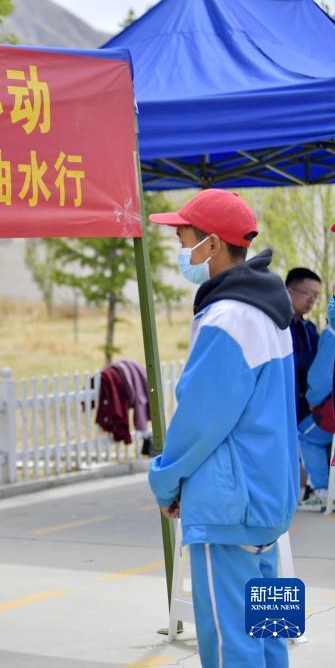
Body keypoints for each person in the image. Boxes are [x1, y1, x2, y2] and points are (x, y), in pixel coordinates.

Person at [147, 190, 298, 668]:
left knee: (230, 646)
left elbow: (199, 418)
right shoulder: (272, 311)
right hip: (269, 503)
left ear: (212, 245)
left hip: (230, 508)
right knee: (270, 634)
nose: (177, 242)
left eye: (183, 235)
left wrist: (166, 480)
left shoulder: (227, 318)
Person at [296, 282, 335, 510]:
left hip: (331, 413)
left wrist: (311, 399)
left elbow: (321, 378)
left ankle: (323, 490)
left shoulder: (332, 333)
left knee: (305, 434)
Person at [285, 267, 321, 422]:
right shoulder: (277, 324)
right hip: (284, 405)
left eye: (315, 295)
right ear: (289, 290)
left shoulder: (310, 329)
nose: (311, 300)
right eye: (307, 293)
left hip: (306, 412)